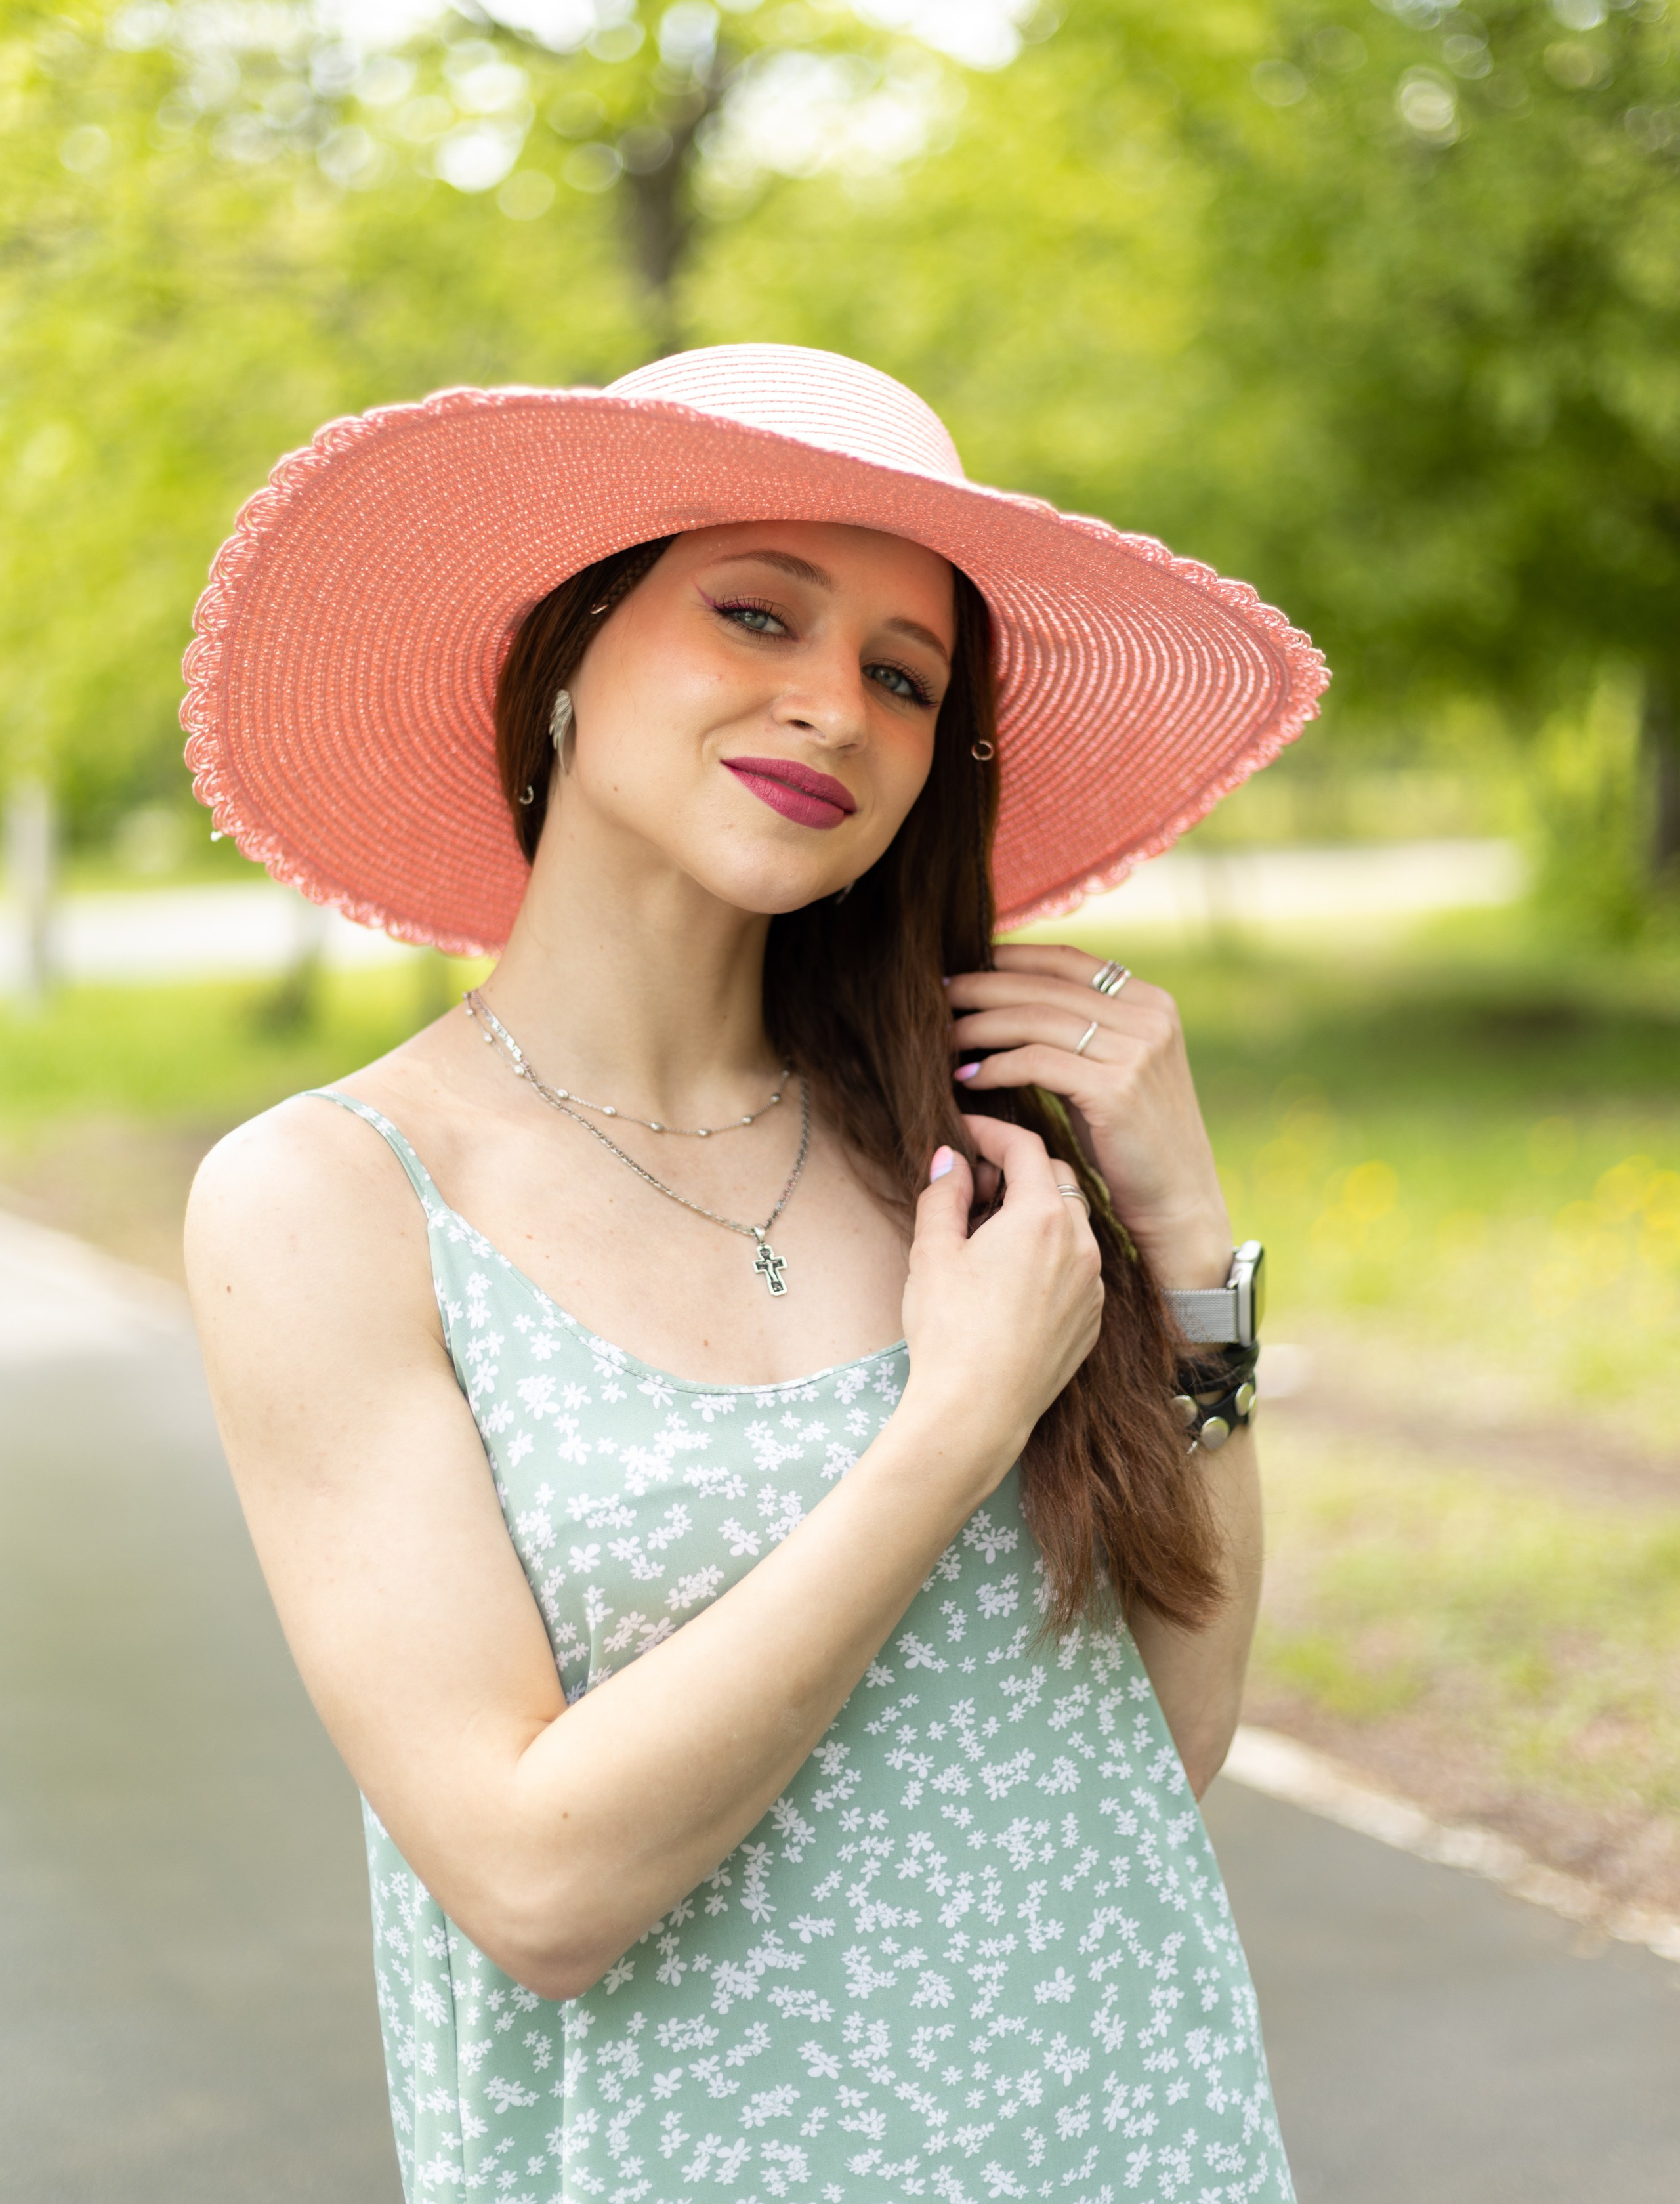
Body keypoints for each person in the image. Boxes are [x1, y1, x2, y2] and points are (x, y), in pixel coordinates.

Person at [182, 344, 1326, 2204]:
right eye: (757, 614)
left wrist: (1191, 1255)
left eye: (901, 674)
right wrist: (945, 1434)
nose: (836, 709)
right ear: (566, 655)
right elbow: (536, 1885)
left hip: (1144, 2146)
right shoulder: (333, 1200)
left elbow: (1157, 1755)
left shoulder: (968, 1162)